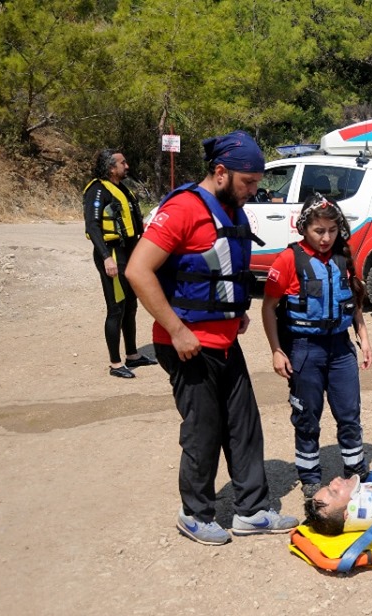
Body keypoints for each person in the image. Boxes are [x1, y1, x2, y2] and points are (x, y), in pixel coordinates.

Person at [125, 131, 298, 546]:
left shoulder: (232, 208)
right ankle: (195, 513)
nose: (254, 190)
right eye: (248, 182)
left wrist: (234, 313)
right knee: (204, 430)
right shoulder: (183, 208)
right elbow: (137, 270)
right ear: (221, 172)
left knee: (244, 425)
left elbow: (223, 268)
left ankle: (252, 511)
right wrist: (178, 330)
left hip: (223, 340)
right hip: (186, 344)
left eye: (257, 182)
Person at [261, 193, 372, 504]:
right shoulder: (288, 260)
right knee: (307, 416)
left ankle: (357, 470)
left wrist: (363, 337)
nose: (326, 238)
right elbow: (268, 307)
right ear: (303, 229)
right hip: (305, 349)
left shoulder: (343, 258)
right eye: (318, 231)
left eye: (332, 231)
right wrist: (276, 350)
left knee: (349, 414)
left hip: (340, 349)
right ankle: (309, 476)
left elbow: (354, 303)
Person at [83, 149, 156, 378]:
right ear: (110, 167)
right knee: (116, 309)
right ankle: (115, 364)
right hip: (112, 255)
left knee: (131, 306)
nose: (127, 166)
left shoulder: (122, 188)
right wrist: (106, 257)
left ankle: (133, 355)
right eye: (122, 162)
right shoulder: (97, 190)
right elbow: (93, 226)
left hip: (128, 253)